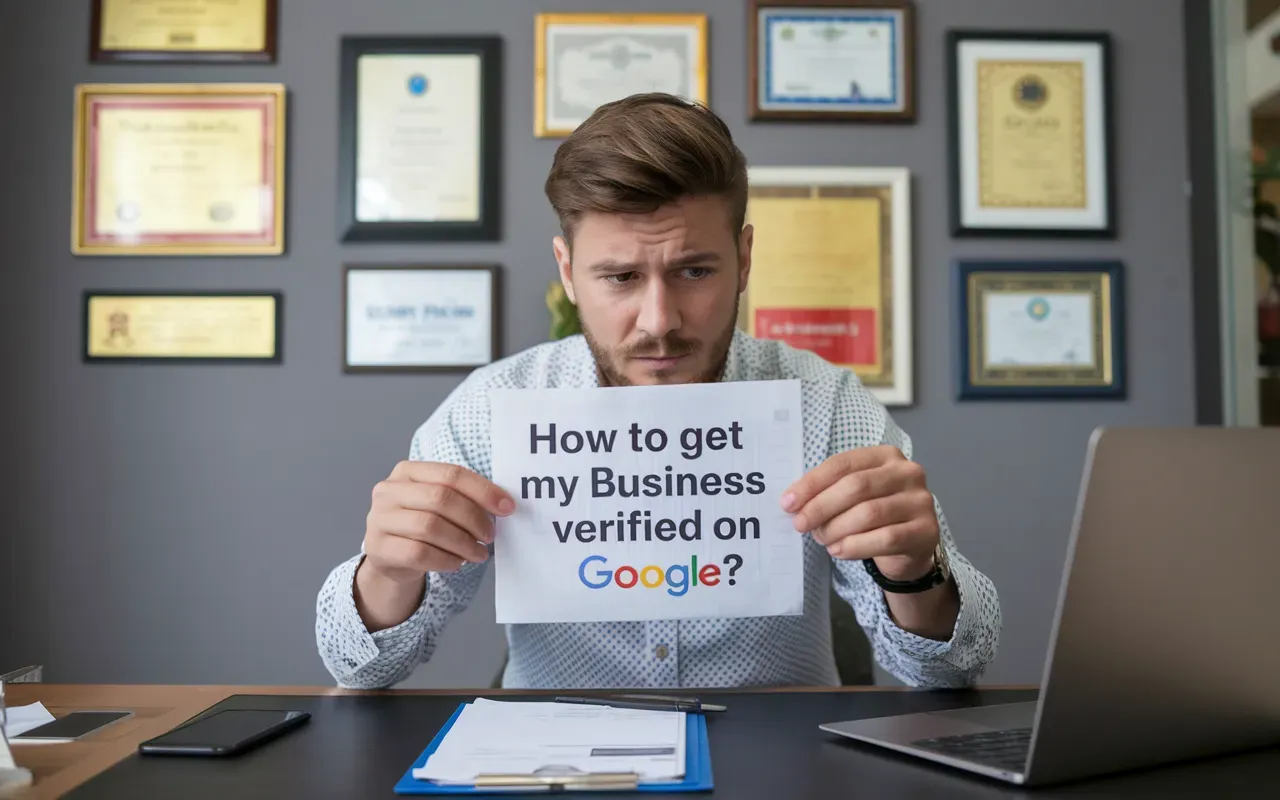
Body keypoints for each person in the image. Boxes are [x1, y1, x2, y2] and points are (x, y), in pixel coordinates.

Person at [315, 93, 1001, 690]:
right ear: (568, 269)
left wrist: (916, 569)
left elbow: (949, 671)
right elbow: (362, 668)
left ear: (745, 259)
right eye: (618, 278)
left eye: (695, 271)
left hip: (779, 763)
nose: (660, 321)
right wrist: (386, 571)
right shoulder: (491, 410)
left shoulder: (825, 405)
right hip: (554, 761)